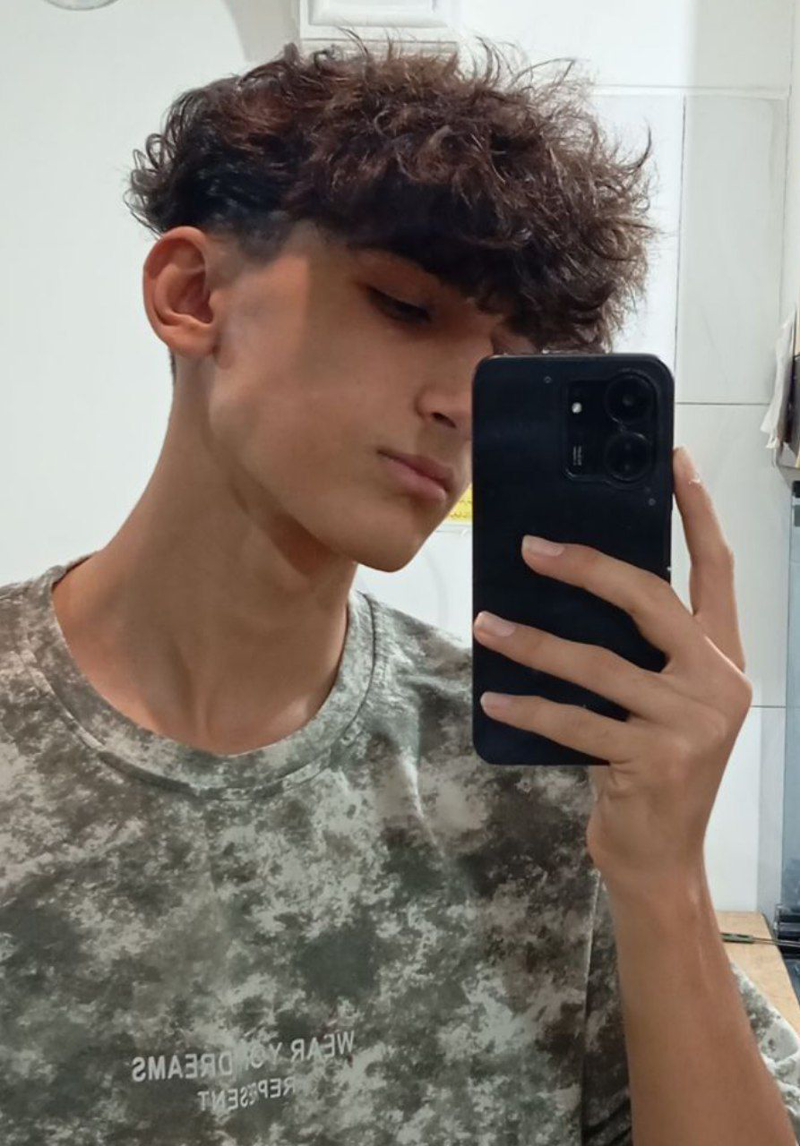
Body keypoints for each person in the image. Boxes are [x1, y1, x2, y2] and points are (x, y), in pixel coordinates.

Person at [1, 32, 799, 1145]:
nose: (463, 404)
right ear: (192, 293)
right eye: (405, 308)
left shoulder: (544, 774)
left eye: (507, 365)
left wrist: (663, 876)